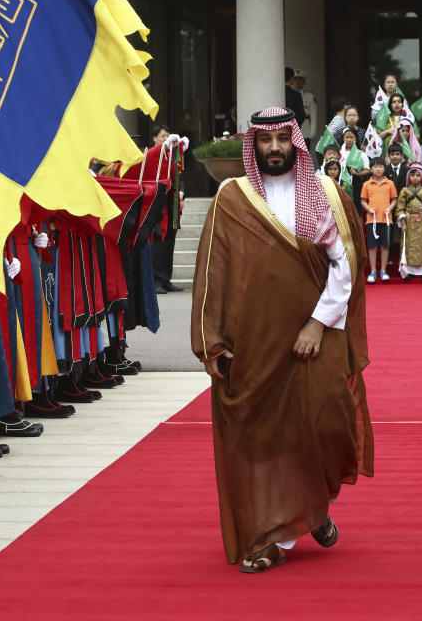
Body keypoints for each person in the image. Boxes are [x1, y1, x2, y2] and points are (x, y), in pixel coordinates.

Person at [190, 106, 373, 573]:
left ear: (296, 141)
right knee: (264, 437)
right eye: (266, 140)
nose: (275, 148)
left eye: (282, 139)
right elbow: (212, 273)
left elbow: (346, 265)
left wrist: (318, 323)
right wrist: (211, 343)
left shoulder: (326, 192)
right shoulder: (232, 197)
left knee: (325, 422)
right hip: (255, 342)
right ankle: (272, 537)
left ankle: (314, 506)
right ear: (254, 145)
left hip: (317, 336)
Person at [149, 125, 184, 294]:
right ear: (154, 138)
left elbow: (178, 176)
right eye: (162, 136)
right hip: (157, 205)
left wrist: (182, 193)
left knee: (169, 242)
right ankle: (155, 280)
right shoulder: (150, 156)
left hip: (171, 204)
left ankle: (165, 278)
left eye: (168, 136)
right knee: (158, 243)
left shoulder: (172, 156)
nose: (166, 139)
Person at [396, 163, 422, 280]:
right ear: (408, 176)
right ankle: (408, 270)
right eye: (412, 175)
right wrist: (403, 223)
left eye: (418, 175)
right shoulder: (404, 191)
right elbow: (400, 208)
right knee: (408, 246)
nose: (415, 177)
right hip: (409, 223)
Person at [360, 157, 398, 284]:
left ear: (384, 168)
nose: (378, 169)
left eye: (380, 166)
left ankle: (383, 270)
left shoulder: (390, 183)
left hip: (386, 220)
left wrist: (390, 208)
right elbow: (363, 201)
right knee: (372, 246)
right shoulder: (367, 184)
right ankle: (373, 271)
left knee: (385, 246)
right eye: (375, 167)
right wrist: (368, 208)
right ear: (371, 169)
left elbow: (394, 199)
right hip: (372, 220)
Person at [292, 70, 318, 148]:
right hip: (292, 129)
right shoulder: (290, 95)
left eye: (300, 80)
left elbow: (313, 115)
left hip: (305, 130)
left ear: (304, 82)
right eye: (296, 79)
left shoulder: (309, 96)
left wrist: (312, 132)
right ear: (293, 80)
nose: (298, 82)